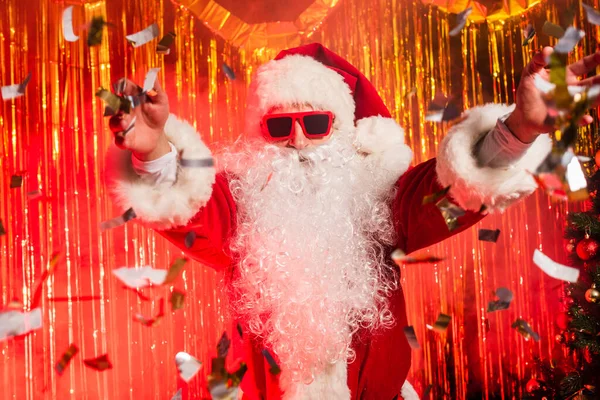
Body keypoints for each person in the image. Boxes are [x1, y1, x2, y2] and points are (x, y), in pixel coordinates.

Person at [104, 43, 599, 399]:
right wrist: (154, 153)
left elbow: (450, 193)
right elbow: (193, 210)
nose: (297, 141)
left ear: (342, 130)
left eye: (315, 123)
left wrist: (519, 129)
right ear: (262, 133)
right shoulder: (242, 207)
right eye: (279, 126)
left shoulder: (383, 203)